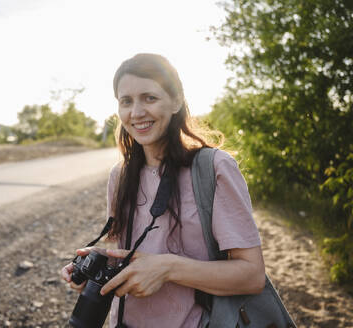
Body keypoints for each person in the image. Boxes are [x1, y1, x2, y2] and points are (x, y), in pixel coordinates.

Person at [61, 53, 265, 328]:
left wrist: (167, 268)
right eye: (126, 101)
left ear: (176, 101)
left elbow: (252, 276)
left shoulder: (214, 168)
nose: (136, 112)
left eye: (150, 98)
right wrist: (93, 271)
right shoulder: (119, 175)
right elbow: (125, 252)